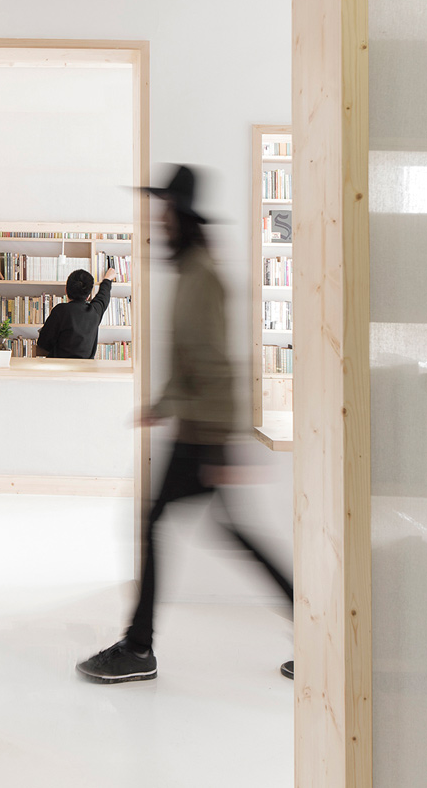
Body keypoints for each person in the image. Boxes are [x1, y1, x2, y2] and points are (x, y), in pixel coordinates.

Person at [75, 165, 294, 684]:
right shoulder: (193, 271)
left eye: (165, 211)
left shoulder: (201, 277)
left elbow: (216, 364)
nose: (159, 220)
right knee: (228, 531)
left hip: (203, 435)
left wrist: (221, 449)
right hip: (196, 428)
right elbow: (191, 361)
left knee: (157, 523)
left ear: (181, 215)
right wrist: (164, 403)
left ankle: (138, 648)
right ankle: (320, 630)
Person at [35, 267, 116, 359]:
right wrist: (107, 279)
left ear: (66, 290)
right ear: (88, 296)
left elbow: (43, 343)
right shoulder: (94, 311)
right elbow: (103, 296)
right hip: (85, 367)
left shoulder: (60, 311)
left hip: (58, 366)